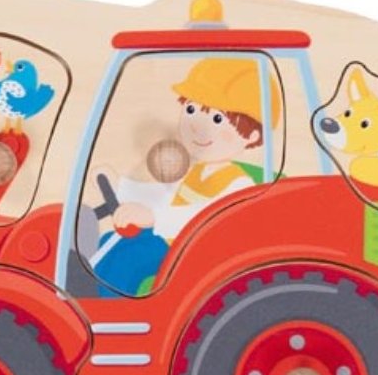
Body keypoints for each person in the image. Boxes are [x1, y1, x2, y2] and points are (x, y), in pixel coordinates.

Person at [93, 58, 276, 296]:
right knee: (110, 240)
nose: (196, 126)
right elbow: (165, 196)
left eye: (217, 118)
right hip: (175, 244)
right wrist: (121, 188)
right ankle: (91, 299)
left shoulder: (239, 185)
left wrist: (153, 217)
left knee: (128, 261)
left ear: (252, 136)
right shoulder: (197, 170)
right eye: (191, 110)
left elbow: (206, 219)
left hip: (196, 257)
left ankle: (110, 310)